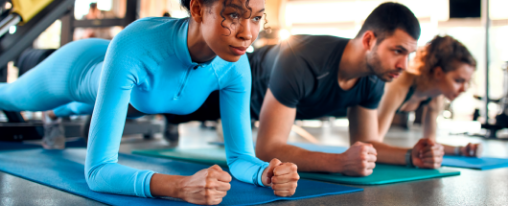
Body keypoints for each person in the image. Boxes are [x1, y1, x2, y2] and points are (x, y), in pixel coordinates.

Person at [0, 0, 299, 204]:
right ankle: (54, 108)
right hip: (79, 67)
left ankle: (58, 113)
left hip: (129, 93)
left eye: (257, 18)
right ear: (197, 8)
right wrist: (180, 187)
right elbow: (98, 171)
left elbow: (239, 159)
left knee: (107, 105)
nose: (248, 34)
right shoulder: (136, 45)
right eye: (233, 15)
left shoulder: (234, 66)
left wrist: (265, 173)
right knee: (10, 97)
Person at [162, 2, 435, 176]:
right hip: (218, 85)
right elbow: (267, 149)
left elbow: (367, 143)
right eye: (398, 51)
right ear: (369, 40)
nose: (404, 64)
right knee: (158, 106)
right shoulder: (304, 57)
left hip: (245, 109)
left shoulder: (374, 78)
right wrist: (339, 162)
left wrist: (412, 156)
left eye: (409, 54)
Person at [377, 35, 480, 161]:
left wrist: (461, 150)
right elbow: (373, 144)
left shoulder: (435, 97)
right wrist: (412, 157)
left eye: (467, 82)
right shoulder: (399, 86)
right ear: (438, 73)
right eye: (458, 80)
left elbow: (430, 144)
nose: (464, 89)